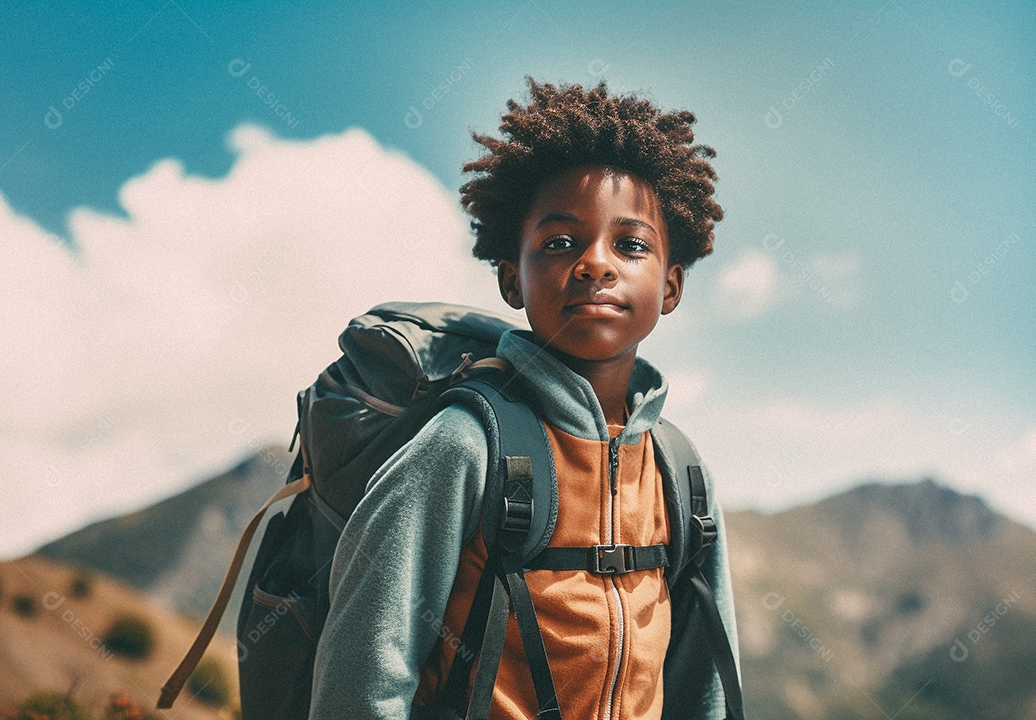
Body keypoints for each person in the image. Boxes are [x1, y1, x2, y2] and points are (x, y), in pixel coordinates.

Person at [309, 78, 739, 720]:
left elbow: (703, 681)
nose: (596, 263)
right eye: (560, 243)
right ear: (513, 277)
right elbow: (365, 676)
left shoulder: (680, 470)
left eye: (632, 244)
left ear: (671, 286)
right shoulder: (463, 443)